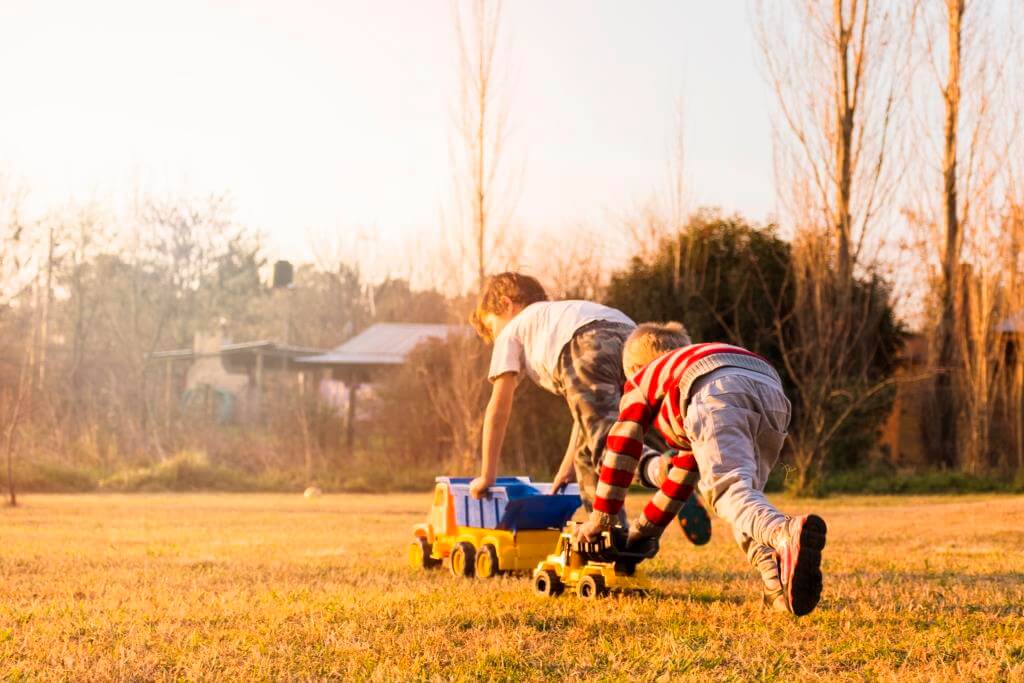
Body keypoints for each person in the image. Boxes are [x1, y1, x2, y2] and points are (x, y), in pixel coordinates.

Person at [576, 322, 828, 616]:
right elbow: (678, 481)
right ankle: (778, 590)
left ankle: (782, 531)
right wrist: (640, 536)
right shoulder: (687, 368)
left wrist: (601, 517)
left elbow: (621, 442)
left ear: (633, 368)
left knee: (727, 493)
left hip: (717, 391)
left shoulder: (644, 377)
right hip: (772, 390)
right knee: (743, 501)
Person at [466, 271, 636, 516]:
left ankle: (656, 474)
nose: (496, 339)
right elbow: (585, 418)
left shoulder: (514, 328)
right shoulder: (559, 316)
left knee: (607, 450)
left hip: (587, 341)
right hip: (631, 334)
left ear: (506, 304)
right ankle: (615, 535)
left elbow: (498, 408)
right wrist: (567, 468)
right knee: (592, 451)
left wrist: (487, 476)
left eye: (493, 328)